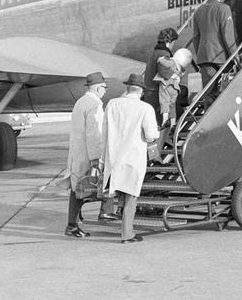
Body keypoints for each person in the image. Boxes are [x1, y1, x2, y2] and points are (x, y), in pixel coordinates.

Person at [101, 73, 159, 243]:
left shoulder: (112, 104)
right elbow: (150, 135)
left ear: (127, 89)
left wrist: (102, 156)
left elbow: (104, 132)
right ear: (140, 91)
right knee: (131, 197)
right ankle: (127, 234)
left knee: (116, 191)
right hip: (133, 158)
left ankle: (111, 217)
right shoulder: (145, 108)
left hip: (113, 157)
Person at [60, 71, 111, 238]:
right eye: (104, 87)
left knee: (77, 189)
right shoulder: (95, 105)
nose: (105, 91)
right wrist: (96, 158)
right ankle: (76, 224)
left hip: (77, 153)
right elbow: (94, 133)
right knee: (86, 188)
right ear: (97, 88)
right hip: (87, 155)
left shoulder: (80, 102)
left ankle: (72, 225)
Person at [191, 0, 237, 106]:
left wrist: (201, 54)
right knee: (227, 91)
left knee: (209, 93)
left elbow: (196, 37)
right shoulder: (224, 8)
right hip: (221, 57)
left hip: (205, 58)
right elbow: (227, 35)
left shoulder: (199, 10)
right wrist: (235, 56)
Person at [142, 27, 179, 116]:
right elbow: (165, 74)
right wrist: (177, 75)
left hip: (148, 92)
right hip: (157, 94)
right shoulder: (164, 54)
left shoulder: (154, 52)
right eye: (174, 42)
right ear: (169, 41)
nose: (173, 45)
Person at [152, 47, 193, 128]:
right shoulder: (180, 69)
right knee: (172, 104)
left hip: (166, 86)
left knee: (165, 102)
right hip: (174, 88)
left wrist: (161, 59)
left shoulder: (171, 62)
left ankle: (166, 121)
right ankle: (173, 123)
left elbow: (164, 65)